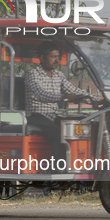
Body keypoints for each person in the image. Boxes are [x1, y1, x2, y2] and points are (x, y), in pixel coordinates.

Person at [24, 41, 87, 171]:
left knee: (75, 129)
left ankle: (76, 166)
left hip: (53, 116)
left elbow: (74, 90)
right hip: (37, 116)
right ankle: (58, 168)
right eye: (53, 57)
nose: (57, 60)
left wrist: (97, 98)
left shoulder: (59, 75)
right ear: (42, 58)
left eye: (58, 57)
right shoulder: (33, 74)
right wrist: (63, 97)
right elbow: (41, 94)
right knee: (58, 133)